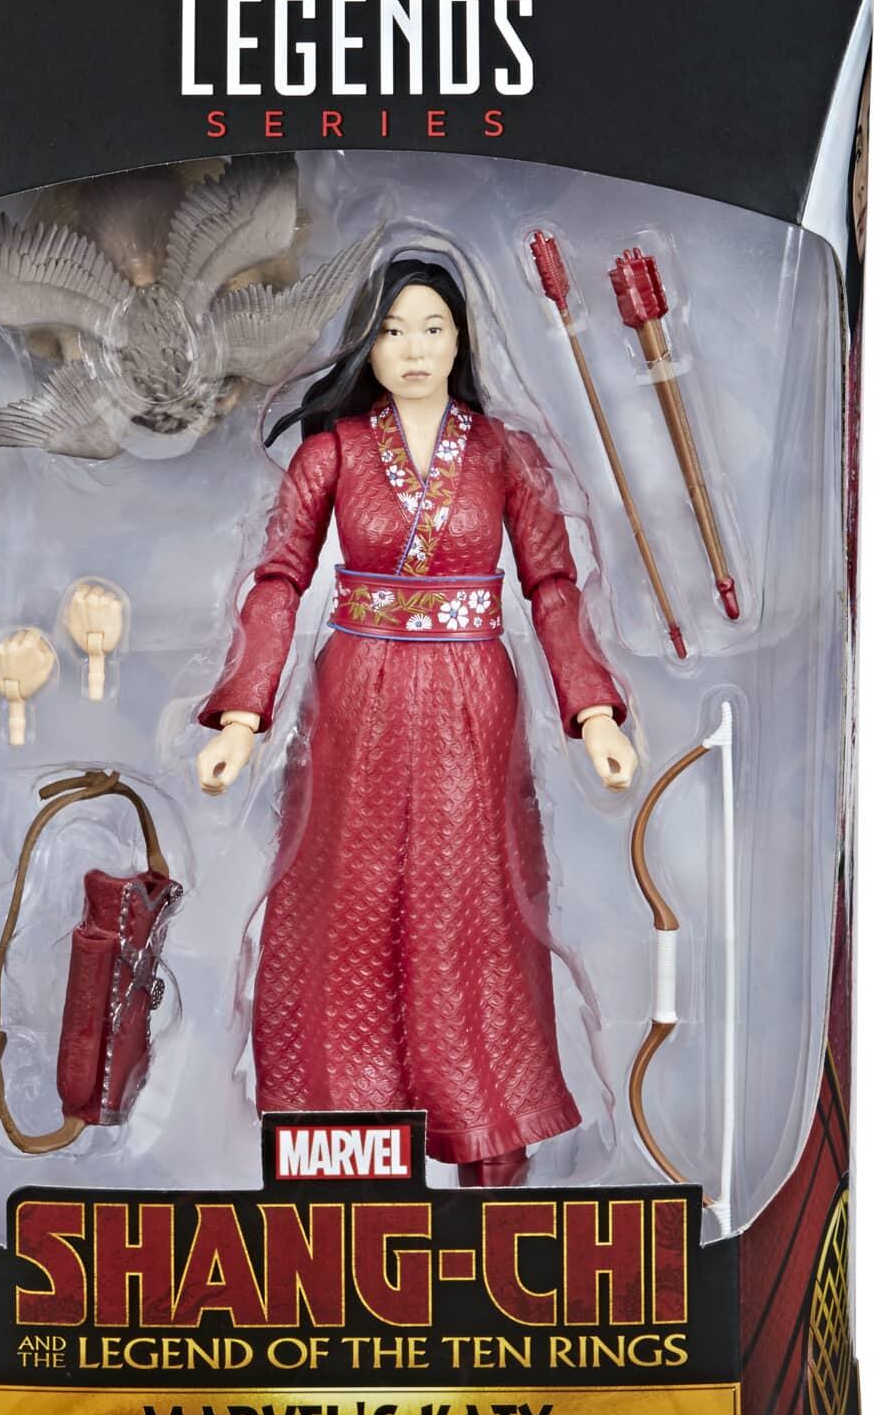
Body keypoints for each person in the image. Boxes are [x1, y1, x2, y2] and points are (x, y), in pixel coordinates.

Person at [195, 254, 636, 1186]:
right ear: (368, 343)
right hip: (355, 694)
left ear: (462, 337)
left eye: (432, 328)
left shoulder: (504, 454)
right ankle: (343, 1144)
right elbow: (278, 581)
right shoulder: (335, 452)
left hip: (473, 697)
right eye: (393, 331)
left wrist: (593, 709)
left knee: (471, 903)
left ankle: (487, 1138)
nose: (413, 349)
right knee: (344, 896)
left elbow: (553, 586)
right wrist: (242, 715)